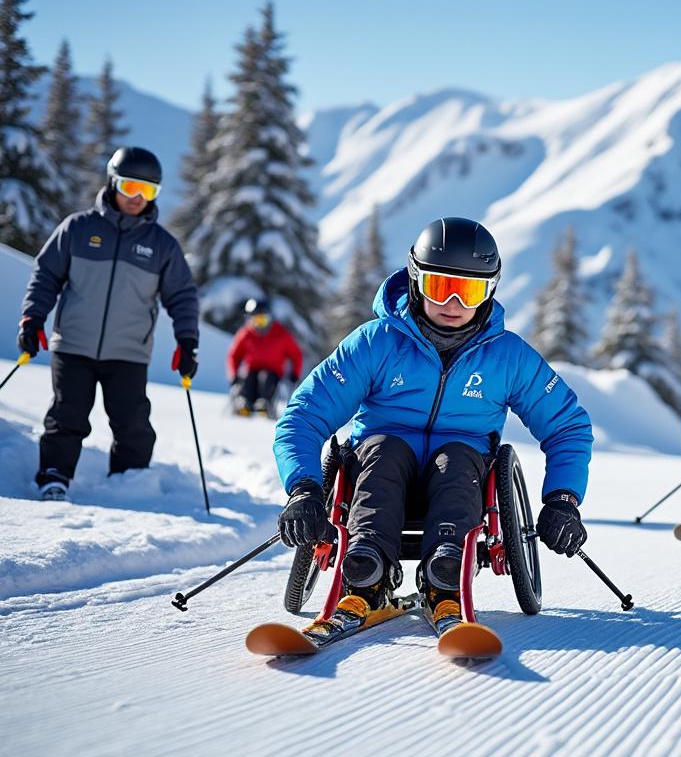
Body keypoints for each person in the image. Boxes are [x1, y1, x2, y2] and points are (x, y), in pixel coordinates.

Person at [272, 217, 593, 638]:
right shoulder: (376, 342)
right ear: (416, 280)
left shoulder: (508, 357)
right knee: (384, 448)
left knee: (457, 457)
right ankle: (365, 569)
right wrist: (303, 488)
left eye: (471, 290)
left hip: (462, 474)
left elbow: (567, 425)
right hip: (380, 466)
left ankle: (446, 572)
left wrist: (563, 499)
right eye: (442, 287)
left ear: (490, 290)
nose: (455, 303)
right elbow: (305, 415)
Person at [18, 147, 199, 502]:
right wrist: (32, 317)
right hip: (73, 345)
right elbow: (45, 276)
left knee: (132, 424)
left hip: (128, 352)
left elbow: (182, 297)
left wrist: (187, 340)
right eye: (130, 187)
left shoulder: (161, 245)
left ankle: (129, 485)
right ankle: (54, 477)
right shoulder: (78, 228)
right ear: (113, 182)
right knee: (66, 415)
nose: (136, 198)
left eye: (147, 191)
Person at [226, 298, 302, 416]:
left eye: (263, 320)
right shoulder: (246, 333)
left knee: (266, 377)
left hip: (273, 372)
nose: (260, 324)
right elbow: (234, 355)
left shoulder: (281, 333)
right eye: (256, 320)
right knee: (247, 377)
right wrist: (233, 374)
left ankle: (265, 404)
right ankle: (244, 403)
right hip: (251, 370)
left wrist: (295, 374)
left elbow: (296, 355)